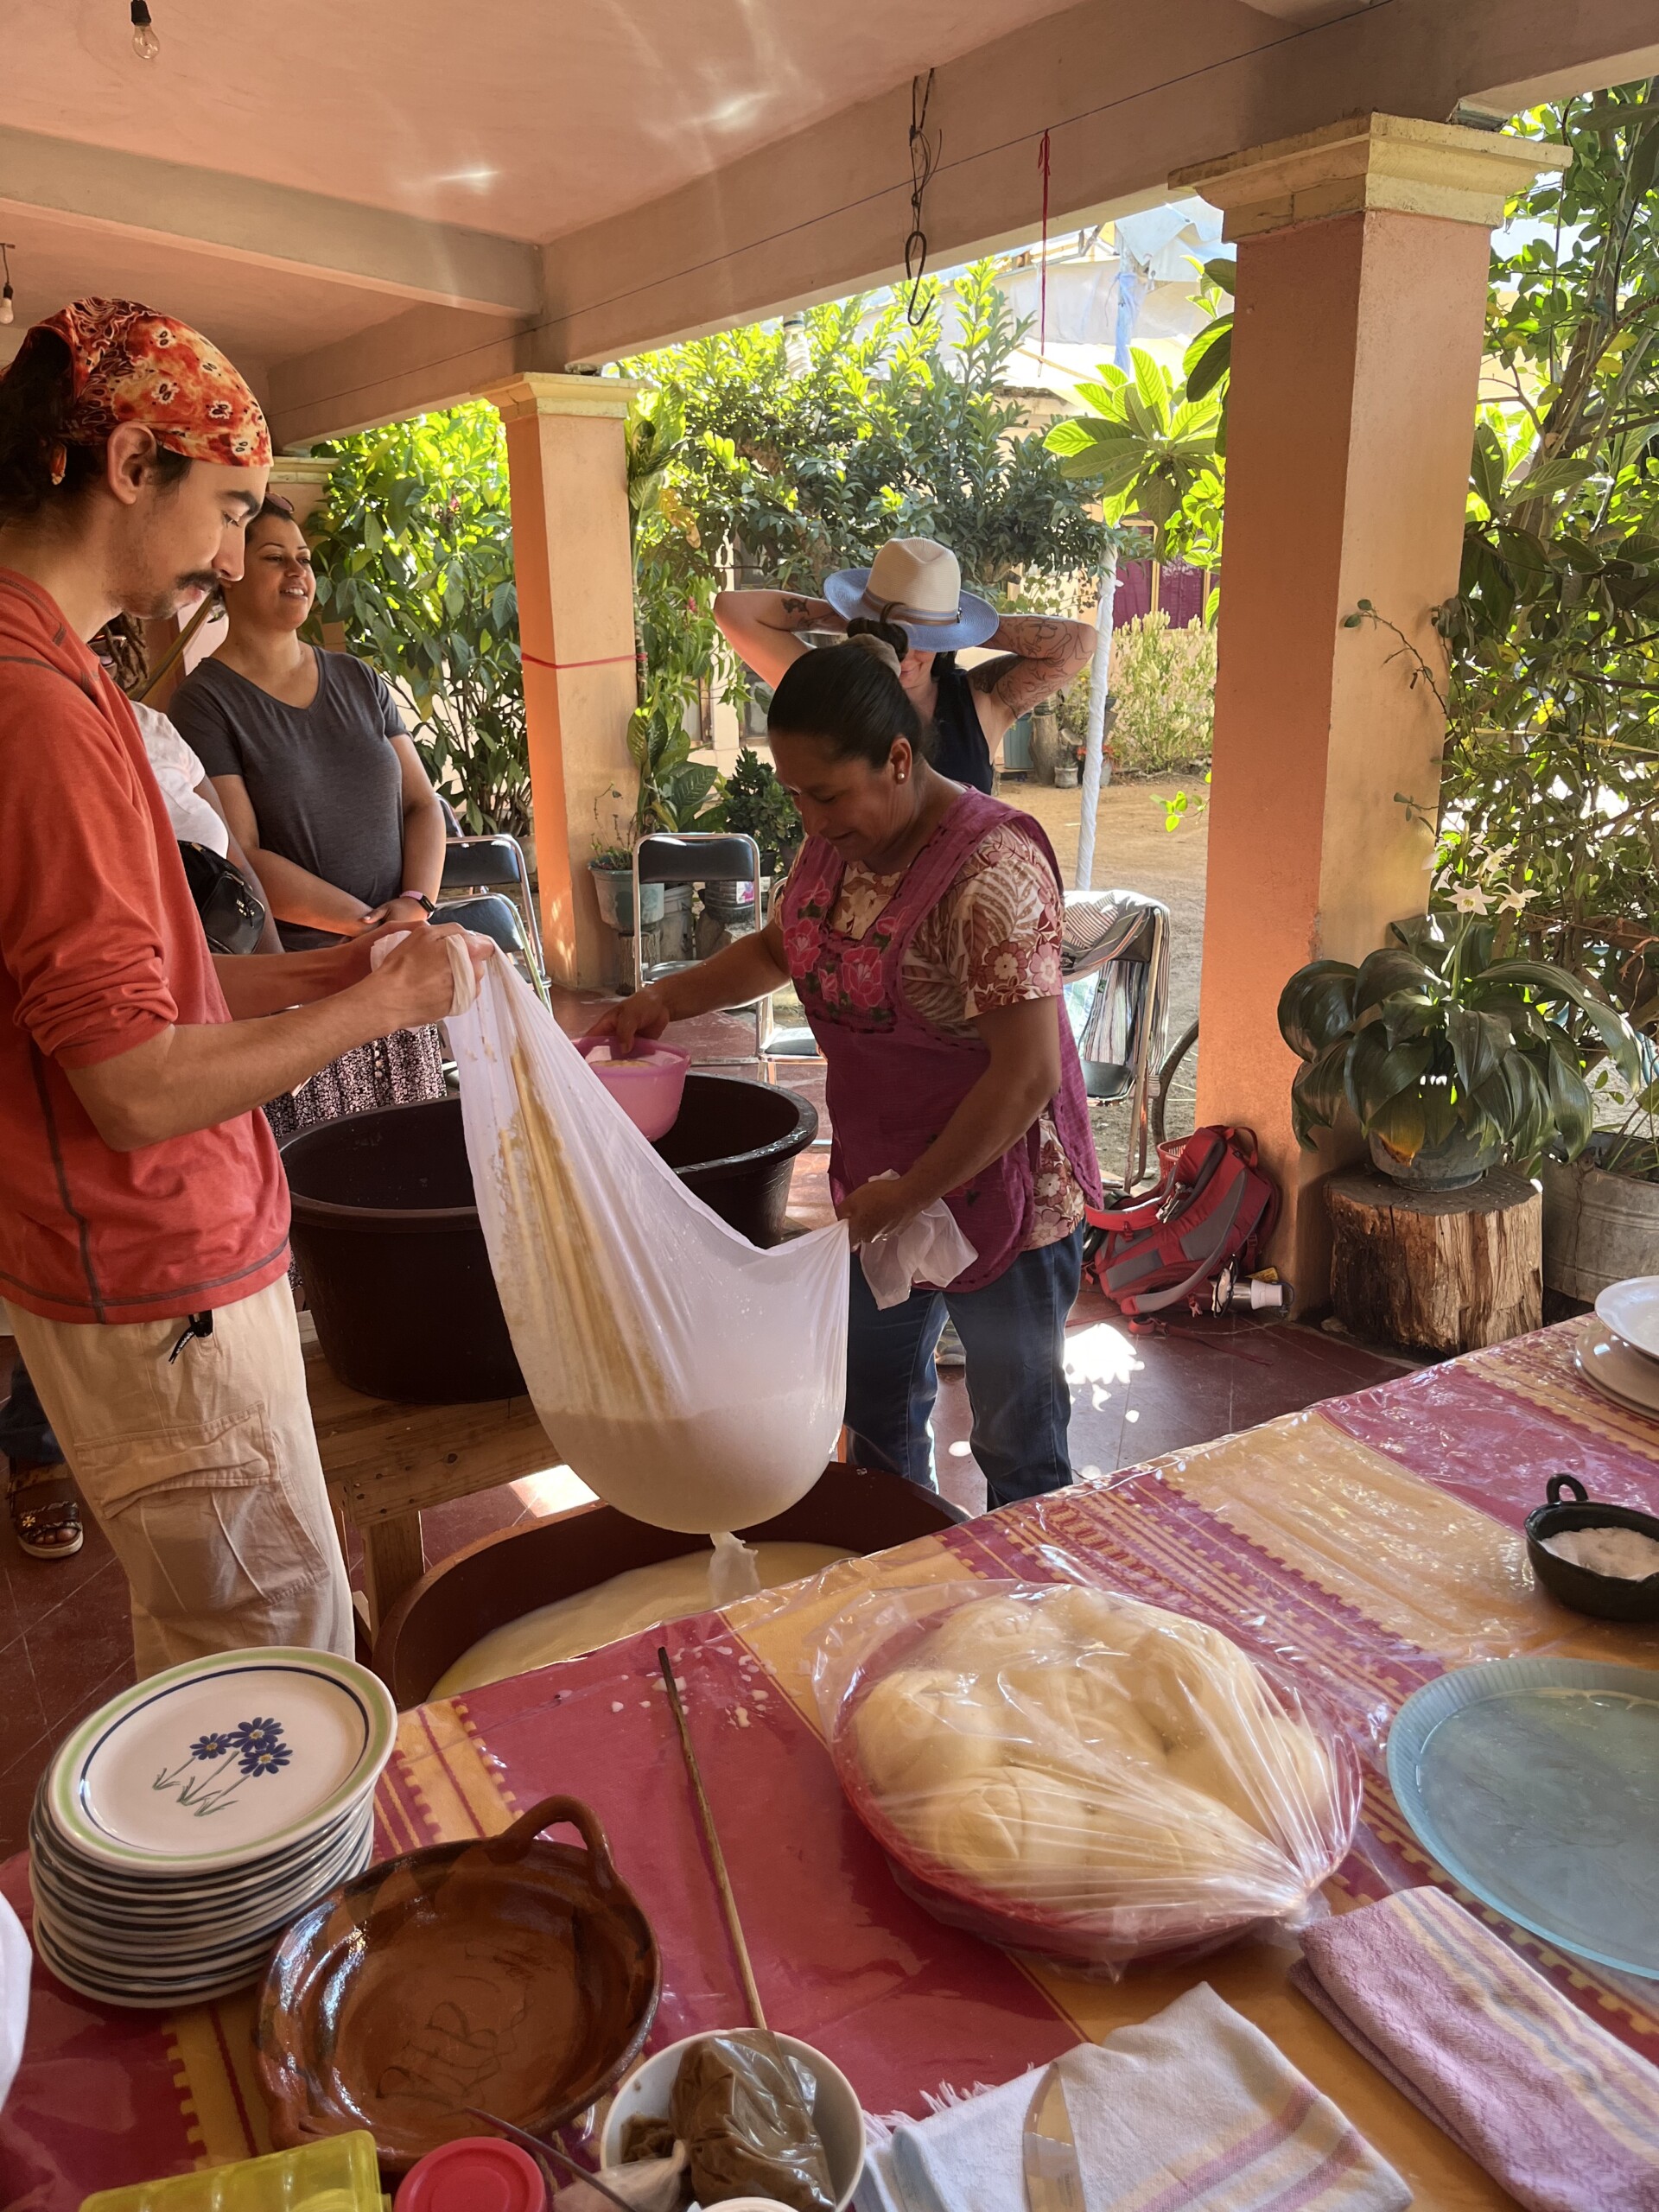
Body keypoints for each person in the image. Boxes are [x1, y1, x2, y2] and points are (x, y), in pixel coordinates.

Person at [0, 296, 488, 1673]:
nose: (227, 553)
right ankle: (262, 1900)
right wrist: (375, 1010)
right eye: (224, 506)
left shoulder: (68, 672)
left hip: (158, 1270)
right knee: (271, 1662)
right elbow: (138, 1085)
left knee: (227, 1641)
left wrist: (334, 969)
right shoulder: (33, 706)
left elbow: (145, 990)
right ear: (128, 463)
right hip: (157, 1282)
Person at [594, 628, 1102, 1509]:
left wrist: (913, 1194)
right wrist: (664, 1001)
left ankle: (1031, 1622)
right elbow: (775, 947)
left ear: (899, 759)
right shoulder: (840, 844)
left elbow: (1023, 1080)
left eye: (826, 795)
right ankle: (896, 1584)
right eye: (797, 798)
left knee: (1019, 1449)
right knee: (873, 1414)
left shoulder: (995, 872)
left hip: (1004, 1195)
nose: (813, 823)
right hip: (881, 1184)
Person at [170, 496, 449, 1136]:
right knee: (331, 1177)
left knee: (413, 1160)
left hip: (397, 963)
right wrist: (363, 929)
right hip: (302, 988)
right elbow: (242, 854)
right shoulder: (205, 704)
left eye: (303, 558)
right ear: (229, 571)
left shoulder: (361, 681)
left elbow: (421, 803)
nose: (297, 571)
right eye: (274, 558)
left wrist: (413, 905)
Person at [715, 536, 1096, 796]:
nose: (906, 652)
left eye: (925, 640)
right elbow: (731, 610)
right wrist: (855, 617)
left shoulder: (978, 702)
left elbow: (1079, 642)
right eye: (894, 635)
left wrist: (956, 628)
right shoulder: (834, 690)